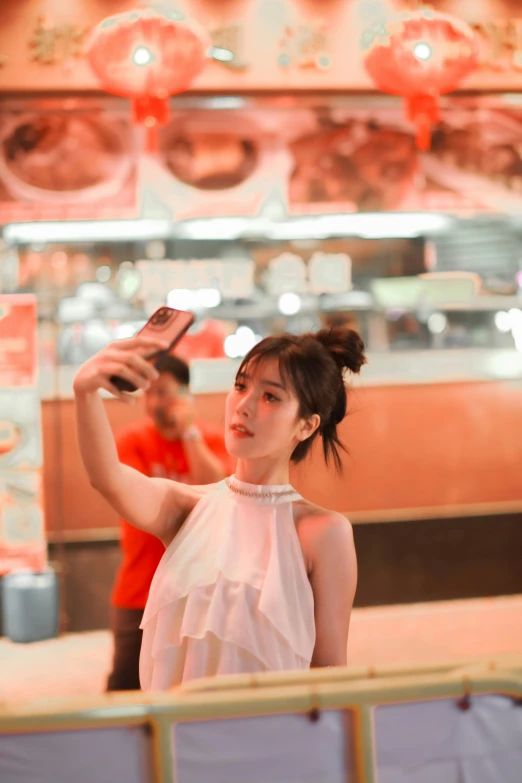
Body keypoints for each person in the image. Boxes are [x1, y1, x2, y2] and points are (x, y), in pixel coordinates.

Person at [73, 326, 365, 691]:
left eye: (271, 397)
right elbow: (108, 478)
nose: (243, 405)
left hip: (266, 736)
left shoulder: (324, 532)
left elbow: (331, 670)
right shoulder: (187, 508)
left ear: (305, 426)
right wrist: (85, 391)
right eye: (241, 386)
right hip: (177, 737)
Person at [107, 354, 229, 691]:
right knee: (126, 685)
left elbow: (217, 495)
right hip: (139, 588)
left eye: (163, 391)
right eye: (149, 392)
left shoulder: (212, 439)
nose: (154, 401)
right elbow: (132, 500)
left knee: (197, 685)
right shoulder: (131, 439)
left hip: (201, 588)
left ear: (186, 394)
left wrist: (189, 432)